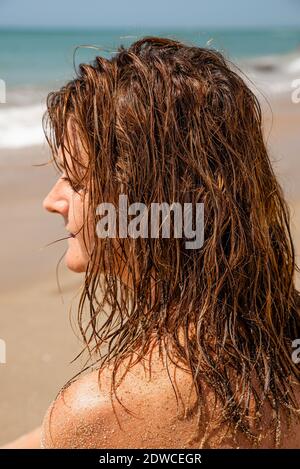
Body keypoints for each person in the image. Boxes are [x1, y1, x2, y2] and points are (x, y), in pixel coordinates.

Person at [2, 35, 300, 449]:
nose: (51, 201)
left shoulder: (104, 411)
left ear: (144, 204)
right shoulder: (282, 346)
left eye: (75, 181)